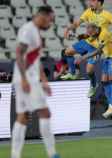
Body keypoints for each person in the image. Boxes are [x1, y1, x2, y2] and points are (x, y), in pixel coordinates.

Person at [11, 6, 60, 158]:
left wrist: (44, 81)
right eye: (50, 20)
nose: (50, 24)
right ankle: (52, 154)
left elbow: (35, 60)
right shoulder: (28, 29)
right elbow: (19, 52)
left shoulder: (35, 31)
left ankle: (15, 155)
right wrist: (25, 79)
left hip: (26, 79)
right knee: (45, 112)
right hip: (26, 80)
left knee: (23, 116)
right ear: (43, 16)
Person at [63, 0, 112, 98]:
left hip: (97, 47)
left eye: (92, 1)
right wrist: (68, 29)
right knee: (68, 51)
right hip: (87, 41)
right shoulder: (88, 12)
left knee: (89, 70)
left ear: (99, 2)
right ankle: (74, 73)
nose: (90, 2)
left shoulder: (107, 15)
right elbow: (76, 23)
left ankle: (93, 85)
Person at [80, 23, 112, 118]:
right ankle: (111, 104)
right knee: (104, 82)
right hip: (107, 58)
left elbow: (98, 51)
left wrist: (83, 57)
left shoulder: (103, 34)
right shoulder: (96, 33)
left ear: (95, 29)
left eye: (91, 32)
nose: (90, 35)